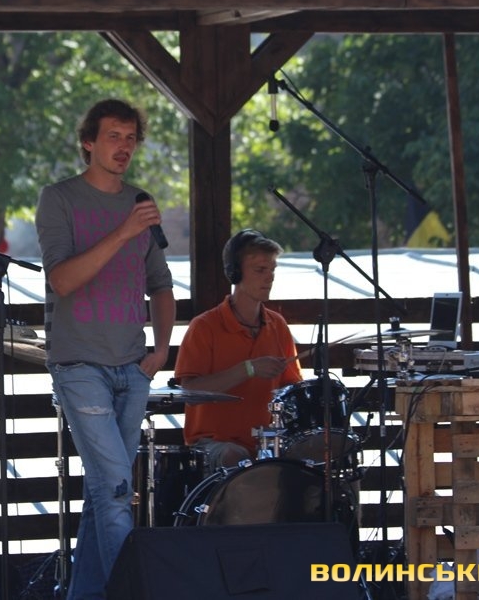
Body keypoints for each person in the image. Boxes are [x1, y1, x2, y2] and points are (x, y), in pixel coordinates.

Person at [35, 98, 175, 599]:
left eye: (131, 137)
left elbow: (161, 284)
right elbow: (62, 279)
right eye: (114, 136)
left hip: (133, 366)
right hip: (79, 365)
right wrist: (123, 232)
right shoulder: (59, 198)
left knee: (105, 493)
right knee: (116, 488)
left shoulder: (140, 201)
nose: (124, 146)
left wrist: (161, 350)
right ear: (88, 142)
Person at [174, 228, 303, 469]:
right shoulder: (204, 326)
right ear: (234, 273)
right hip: (212, 444)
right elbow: (190, 392)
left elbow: (292, 390)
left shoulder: (277, 325)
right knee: (235, 457)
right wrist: (248, 369)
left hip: (267, 442)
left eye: (272, 270)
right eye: (260, 270)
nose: (269, 278)